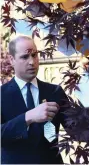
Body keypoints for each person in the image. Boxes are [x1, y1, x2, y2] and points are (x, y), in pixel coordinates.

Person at [1, 36, 68, 164]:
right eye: (25, 57)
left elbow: (78, 130)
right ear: (12, 59)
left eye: (34, 55)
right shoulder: (1, 95)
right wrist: (28, 117)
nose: (32, 62)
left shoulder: (55, 92)